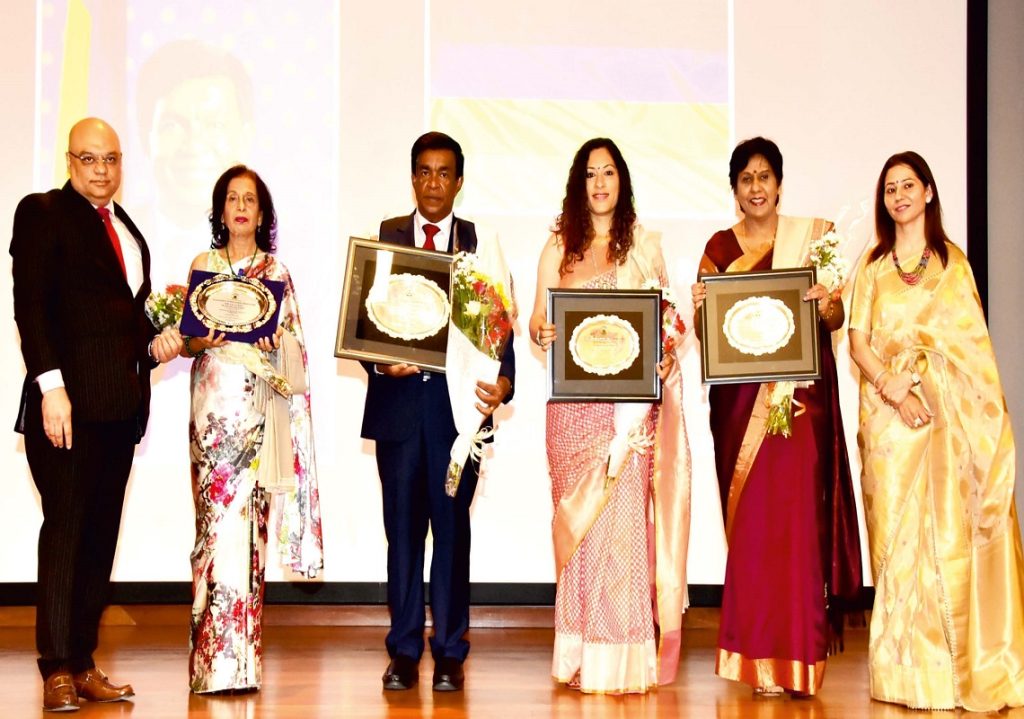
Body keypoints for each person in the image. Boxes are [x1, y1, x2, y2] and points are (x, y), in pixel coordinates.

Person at [10, 117, 183, 712]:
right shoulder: (42, 213)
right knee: (64, 533)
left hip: (117, 410)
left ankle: (82, 662)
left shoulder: (125, 227)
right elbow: (31, 309)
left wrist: (158, 342)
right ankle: (55, 667)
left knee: (99, 538)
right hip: (66, 410)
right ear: (69, 160)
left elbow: (124, 318)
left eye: (111, 159)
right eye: (89, 159)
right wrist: (50, 388)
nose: (102, 170)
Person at [848, 151, 1024, 712]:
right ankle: (903, 677)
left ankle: (950, 674)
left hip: (945, 425)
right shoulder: (873, 266)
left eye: (907, 185)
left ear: (927, 192)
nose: (898, 195)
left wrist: (927, 383)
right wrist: (893, 386)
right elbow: (857, 340)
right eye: (889, 188)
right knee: (897, 548)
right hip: (889, 423)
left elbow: (972, 353)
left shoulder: (953, 264)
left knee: (944, 541)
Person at [691, 136, 862, 697]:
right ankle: (756, 659)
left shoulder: (813, 240)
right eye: (746, 178)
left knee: (796, 534)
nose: (757, 187)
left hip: (799, 411)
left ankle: (799, 660)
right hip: (740, 415)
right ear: (735, 189)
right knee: (755, 534)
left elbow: (835, 319)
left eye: (766, 177)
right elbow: (708, 336)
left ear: (780, 184)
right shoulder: (718, 249)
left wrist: (828, 300)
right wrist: (700, 310)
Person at [530, 137, 691, 694]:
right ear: (579, 184)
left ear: (622, 182)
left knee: (622, 529)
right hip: (571, 409)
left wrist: (666, 354)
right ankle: (578, 655)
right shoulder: (558, 246)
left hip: (626, 412)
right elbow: (536, 322)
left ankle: (617, 660)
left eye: (609, 173)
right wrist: (543, 330)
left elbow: (667, 322)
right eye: (591, 174)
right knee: (579, 533)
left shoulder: (643, 247)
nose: (600, 183)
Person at [360, 131, 515, 693]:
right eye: (423, 172)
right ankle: (403, 652)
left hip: (457, 419)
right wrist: (382, 364)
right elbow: (365, 323)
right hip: (400, 413)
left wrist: (504, 382)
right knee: (401, 536)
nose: (433, 183)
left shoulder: (480, 245)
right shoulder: (385, 240)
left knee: (451, 535)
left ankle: (450, 653)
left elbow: (501, 329)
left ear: (458, 181)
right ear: (412, 178)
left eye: (443, 173)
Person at [182, 165, 323, 694]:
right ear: (221, 211)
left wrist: (273, 347)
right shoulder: (204, 265)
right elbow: (191, 342)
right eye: (232, 198)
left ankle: (242, 666)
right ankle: (207, 665)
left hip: (257, 417)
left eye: (251, 200)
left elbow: (295, 350)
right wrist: (203, 336)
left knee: (251, 537)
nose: (241, 207)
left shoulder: (276, 273)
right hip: (211, 418)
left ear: (262, 214)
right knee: (212, 537)